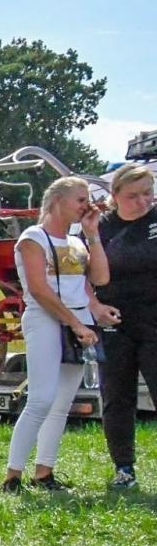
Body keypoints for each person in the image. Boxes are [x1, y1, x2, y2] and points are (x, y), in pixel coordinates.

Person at [1, 176, 108, 493]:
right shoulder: (33, 238)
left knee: (61, 403)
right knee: (42, 399)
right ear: (57, 200)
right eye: (79, 199)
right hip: (47, 319)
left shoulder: (76, 242)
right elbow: (39, 289)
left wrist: (93, 234)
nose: (85, 205)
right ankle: (12, 476)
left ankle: (44, 473)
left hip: (78, 321)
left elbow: (98, 279)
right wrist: (75, 324)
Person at [92, 164, 156, 490]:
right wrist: (95, 307)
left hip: (154, 321)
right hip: (115, 323)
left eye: (148, 193)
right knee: (116, 396)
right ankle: (124, 468)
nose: (143, 202)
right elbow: (77, 275)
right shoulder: (99, 228)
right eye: (133, 196)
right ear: (114, 196)